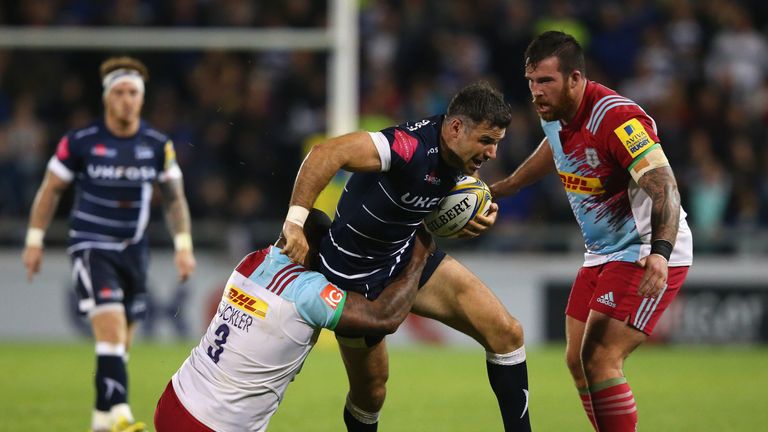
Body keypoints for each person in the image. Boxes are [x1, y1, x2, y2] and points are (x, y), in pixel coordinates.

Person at [282, 81, 531, 431]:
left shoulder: (461, 159)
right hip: (355, 276)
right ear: (456, 128)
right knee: (371, 394)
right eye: (486, 141)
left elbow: (441, 203)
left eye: (497, 143)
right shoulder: (407, 146)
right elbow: (325, 153)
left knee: (507, 333)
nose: (492, 153)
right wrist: (295, 222)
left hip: (405, 251)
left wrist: (472, 214)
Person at [490, 31, 693, 432]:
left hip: (642, 248)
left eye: (545, 81)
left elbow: (664, 186)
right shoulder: (555, 114)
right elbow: (555, 147)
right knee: (577, 362)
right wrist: (510, 185)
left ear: (576, 79)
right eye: (531, 82)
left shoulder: (617, 119)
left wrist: (660, 252)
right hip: (601, 252)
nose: (536, 92)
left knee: (600, 357)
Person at [21, 56, 196, 432]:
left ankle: (101, 421)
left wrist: (183, 245)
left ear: (142, 98)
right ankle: (119, 415)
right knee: (112, 329)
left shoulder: (156, 145)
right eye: (119, 92)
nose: (127, 99)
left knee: (121, 345)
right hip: (91, 245)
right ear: (106, 97)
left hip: (134, 250)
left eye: (133, 92)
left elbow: (175, 198)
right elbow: (51, 190)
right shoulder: (81, 142)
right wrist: (34, 240)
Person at [154, 209, 435, 431]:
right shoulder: (306, 290)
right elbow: (383, 318)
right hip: (214, 424)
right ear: (312, 248)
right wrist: (418, 258)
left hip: (174, 399)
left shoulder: (251, 261)